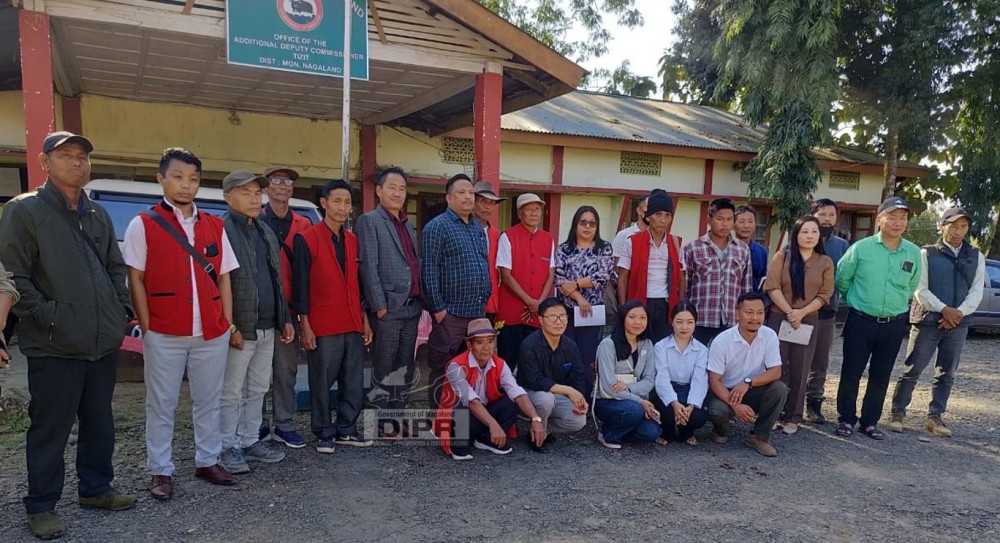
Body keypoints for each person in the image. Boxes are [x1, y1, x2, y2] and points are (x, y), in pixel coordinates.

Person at [0, 132, 135, 539]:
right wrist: (48, 317)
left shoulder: (97, 214)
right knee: (50, 428)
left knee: (99, 421)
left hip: (100, 340)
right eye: (66, 156)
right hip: (54, 342)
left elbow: (115, 265)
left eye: (82, 157)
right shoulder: (24, 211)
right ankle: (41, 505)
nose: (77, 163)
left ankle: (95, 488)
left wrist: (120, 309)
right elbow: (14, 275)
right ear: (44, 162)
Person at [124, 148, 239, 500]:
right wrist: (149, 327)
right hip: (164, 331)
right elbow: (136, 279)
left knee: (209, 399)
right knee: (162, 403)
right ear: (161, 179)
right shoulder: (143, 224)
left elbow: (223, 278)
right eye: (177, 176)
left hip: (210, 331)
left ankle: (208, 459)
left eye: (192, 179)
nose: (185, 185)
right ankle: (160, 469)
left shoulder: (214, 225)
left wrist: (226, 323)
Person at [218, 171, 296, 475]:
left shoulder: (263, 230)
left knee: (258, 387)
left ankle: (251, 440)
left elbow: (276, 279)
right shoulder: (222, 230)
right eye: (246, 192)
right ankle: (228, 445)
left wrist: (284, 318)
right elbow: (219, 282)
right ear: (227, 198)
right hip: (241, 326)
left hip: (267, 325)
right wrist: (230, 326)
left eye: (256, 193)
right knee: (231, 390)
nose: (254, 198)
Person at [292, 179, 374, 452]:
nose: (342, 207)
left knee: (352, 380)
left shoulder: (352, 241)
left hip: (351, 321)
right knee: (321, 381)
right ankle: (324, 432)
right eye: (336, 201)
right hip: (323, 323)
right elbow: (300, 285)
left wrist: (364, 318)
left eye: (347, 202)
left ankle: (347, 429)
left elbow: (358, 285)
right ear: (324, 203)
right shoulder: (307, 238)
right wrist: (305, 324)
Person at [888, 207, 985, 437]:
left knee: (947, 373)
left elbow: (976, 291)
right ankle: (897, 412)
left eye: (963, 226)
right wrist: (944, 310)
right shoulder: (927, 254)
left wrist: (958, 313)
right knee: (913, 368)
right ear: (942, 226)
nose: (958, 231)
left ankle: (935, 417)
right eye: (953, 225)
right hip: (928, 320)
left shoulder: (976, 256)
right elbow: (919, 289)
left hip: (958, 324)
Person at [834, 197, 921, 440]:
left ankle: (870, 421)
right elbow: (842, 280)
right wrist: (857, 300)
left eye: (902, 218)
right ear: (879, 219)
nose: (897, 223)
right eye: (892, 217)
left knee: (881, 374)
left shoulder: (913, 252)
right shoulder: (861, 249)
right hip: (861, 320)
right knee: (851, 371)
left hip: (894, 323)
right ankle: (846, 419)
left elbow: (912, 285)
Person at [355, 167, 422, 436]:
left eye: (402, 188)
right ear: (379, 191)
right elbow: (368, 266)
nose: (397, 193)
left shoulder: (406, 223)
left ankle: (398, 416)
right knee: (383, 365)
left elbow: (412, 263)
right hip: (388, 308)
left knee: (405, 365)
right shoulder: (369, 221)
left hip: (411, 306)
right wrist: (379, 306)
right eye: (392, 187)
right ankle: (380, 421)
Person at [421, 174, 491, 409]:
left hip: (476, 314)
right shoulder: (437, 227)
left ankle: (463, 417)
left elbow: (482, 263)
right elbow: (428, 270)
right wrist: (439, 309)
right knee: (443, 366)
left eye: (471, 193)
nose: (468, 197)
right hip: (450, 314)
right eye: (462, 192)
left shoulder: (477, 228)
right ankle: (438, 419)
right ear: (449, 198)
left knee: (470, 366)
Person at [436, 319, 546, 460]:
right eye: (480, 342)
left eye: (490, 341)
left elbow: (517, 391)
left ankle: (486, 439)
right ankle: (458, 446)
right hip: (458, 421)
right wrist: (494, 424)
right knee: (461, 405)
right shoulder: (455, 366)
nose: (486, 347)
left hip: (482, 416)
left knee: (512, 401)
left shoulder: (499, 363)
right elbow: (471, 400)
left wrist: (535, 419)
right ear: (469, 345)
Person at [763, 216, 834, 435]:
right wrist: (789, 311)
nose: (809, 236)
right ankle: (772, 413)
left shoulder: (825, 262)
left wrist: (801, 312)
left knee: (801, 367)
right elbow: (772, 286)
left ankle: (794, 415)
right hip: (779, 316)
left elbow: (825, 294)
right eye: (804, 231)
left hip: (808, 319)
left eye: (814, 232)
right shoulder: (781, 257)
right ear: (796, 234)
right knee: (776, 366)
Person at [259, 165, 312, 448]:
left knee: (286, 369)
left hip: (289, 310)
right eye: (277, 181)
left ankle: (284, 423)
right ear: (267, 187)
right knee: (256, 373)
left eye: (288, 182)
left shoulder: (304, 224)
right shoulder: (254, 218)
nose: (283, 186)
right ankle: (256, 424)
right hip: (259, 307)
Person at [705, 293, 788, 457]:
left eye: (760, 312)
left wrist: (748, 382)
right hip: (726, 391)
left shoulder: (769, 335)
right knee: (716, 410)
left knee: (780, 389)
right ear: (737, 314)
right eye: (749, 312)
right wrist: (736, 406)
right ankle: (721, 430)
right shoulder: (722, 341)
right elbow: (714, 381)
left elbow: (775, 372)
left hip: (753, 387)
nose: (755, 318)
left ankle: (759, 437)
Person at [516, 298, 589, 452]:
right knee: (545, 399)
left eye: (562, 316)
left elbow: (578, 377)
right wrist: (569, 391)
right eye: (552, 317)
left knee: (578, 420)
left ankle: (542, 430)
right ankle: (536, 439)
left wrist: (580, 399)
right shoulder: (529, 345)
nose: (559, 321)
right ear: (541, 320)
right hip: (529, 395)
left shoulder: (570, 346)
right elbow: (534, 380)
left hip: (558, 395)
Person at [496, 193, 555, 372]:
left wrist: (539, 303)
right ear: (519, 214)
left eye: (537, 209)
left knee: (533, 363)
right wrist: (529, 301)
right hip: (512, 310)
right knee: (508, 360)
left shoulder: (548, 238)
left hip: (537, 312)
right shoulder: (508, 236)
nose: (534, 213)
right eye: (528, 210)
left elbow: (551, 273)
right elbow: (506, 274)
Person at [804, 198, 850, 424]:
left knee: (820, 361)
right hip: (801, 313)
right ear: (813, 215)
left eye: (832, 215)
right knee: (796, 359)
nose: (827, 219)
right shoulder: (799, 239)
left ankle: (813, 404)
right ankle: (790, 404)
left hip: (826, 314)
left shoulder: (841, 246)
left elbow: (845, 278)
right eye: (823, 214)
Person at [617, 189, 685, 343]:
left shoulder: (676, 243)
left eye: (667, 215)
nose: (663, 220)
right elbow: (622, 278)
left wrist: (680, 306)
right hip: (640, 302)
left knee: (663, 346)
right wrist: (624, 307)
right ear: (648, 216)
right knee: (639, 344)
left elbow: (682, 277)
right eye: (658, 214)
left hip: (666, 305)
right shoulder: (632, 241)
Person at [684, 198, 754, 346]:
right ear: (709, 220)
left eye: (729, 219)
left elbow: (746, 289)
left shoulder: (742, 250)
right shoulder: (693, 248)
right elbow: (685, 286)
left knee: (727, 364)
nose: (725, 224)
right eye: (720, 219)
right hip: (701, 319)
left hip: (731, 320)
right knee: (698, 362)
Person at [592, 301, 661, 449]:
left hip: (632, 400)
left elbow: (650, 380)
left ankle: (621, 431)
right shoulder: (608, 344)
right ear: (622, 318)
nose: (637, 322)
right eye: (632, 317)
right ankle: (608, 434)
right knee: (634, 410)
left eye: (643, 318)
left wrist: (629, 388)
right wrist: (640, 401)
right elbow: (608, 387)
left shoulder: (647, 344)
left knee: (652, 433)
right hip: (606, 400)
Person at [555, 205, 614, 377]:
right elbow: (559, 280)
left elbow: (602, 276)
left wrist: (575, 284)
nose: (588, 227)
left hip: (592, 313)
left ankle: (586, 398)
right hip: (567, 312)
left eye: (592, 223)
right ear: (575, 224)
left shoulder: (604, 248)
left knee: (588, 357)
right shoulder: (564, 249)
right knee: (567, 356)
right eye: (583, 222)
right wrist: (579, 298)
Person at [651, 301, 709, 445]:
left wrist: (691, 406)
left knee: (698, 416)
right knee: (667, 412)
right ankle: (667, 433)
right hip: (667, 388)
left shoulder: (702, 350)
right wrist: (675, 404)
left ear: (696, 323)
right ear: (672, 322)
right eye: (679, 322)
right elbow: (662, 377)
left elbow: (699, 379)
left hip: (688, 389)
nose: (684, 327)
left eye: (689, 322)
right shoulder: (661, 346)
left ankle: (686, 433)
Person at [472, 180, 506, 320]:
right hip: (468, 299)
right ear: (473, 202)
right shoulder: (463, 229)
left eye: (491, 203)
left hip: (491, 297)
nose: (488, 207)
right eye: (483, 201)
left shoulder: (495, 233)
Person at [734, 205, 768, 292]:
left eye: (750, 221)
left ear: (755, 225)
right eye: (742, 221)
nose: (746, 226)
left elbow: (761, 278)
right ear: (733, 224)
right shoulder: (726, 249)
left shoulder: (762, 252)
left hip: (752, 300)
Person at [611, 196, 649, 262]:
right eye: (648, 211)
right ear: (639, 210)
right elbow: (615, 264)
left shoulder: (660, 237)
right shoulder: (623, 235)